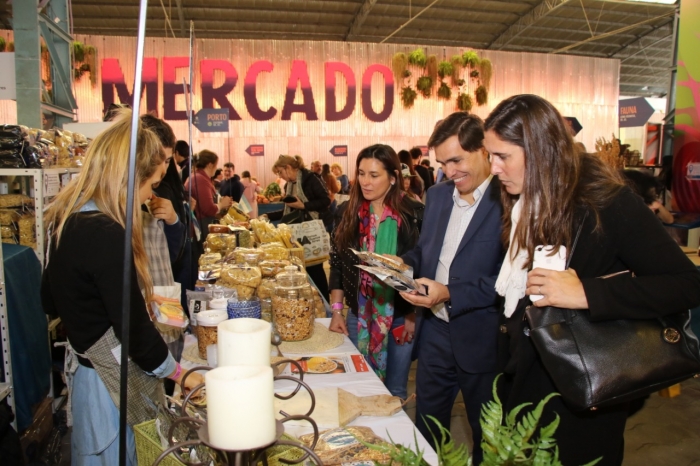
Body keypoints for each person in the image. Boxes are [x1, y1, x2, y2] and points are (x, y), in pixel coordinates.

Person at [484, 94, 700, 466]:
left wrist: (588, 292)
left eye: (502, 156)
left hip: (582, 391)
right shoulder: (519, 201)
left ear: (540, 152)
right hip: (523, 381)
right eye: (490, 155)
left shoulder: (606, 202)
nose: (493, 167)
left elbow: (685, 282)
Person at [41, 110, 202, 465]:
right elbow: (134, 332)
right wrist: (180, 374)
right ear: (129, 178)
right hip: (108, 389)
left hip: (86, 378)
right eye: (150, 185)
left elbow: (49, 299)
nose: (149, 195)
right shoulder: (108, 233)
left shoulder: (68, 218)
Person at [398, 112, 504, 465]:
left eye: (457, 160)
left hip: (484, 338)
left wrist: (450, 293)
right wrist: (403, 264)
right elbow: (428, 251)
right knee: (427, 427)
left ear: (485, 150)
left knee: (487, 437)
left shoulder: (510, 201)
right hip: (434, 335)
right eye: (442, 163)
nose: (449, 171)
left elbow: (510, 280)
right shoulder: (438, 195)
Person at [329, 144, 424, 398]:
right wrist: (337, 312)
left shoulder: (413, 214)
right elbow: (337, 264)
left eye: (374, 175)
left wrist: (413, 317)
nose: (365, 182)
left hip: (402, 316)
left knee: (395, 390)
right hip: (357, 314)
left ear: (393, 178)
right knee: (359, 389)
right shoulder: (347, 212)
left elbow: (421, 269)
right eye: (361, 174)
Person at [271, 154, 331, 300]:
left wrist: (304, 205)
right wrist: (269, 216)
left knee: (315, 269)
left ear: (288, 167)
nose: (280, 176)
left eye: (280, 172)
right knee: (303, 270)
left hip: (312, 232)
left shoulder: (310, 178)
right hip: (297, 235)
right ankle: (310, 301)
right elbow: (289, 210)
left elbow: (325, 200)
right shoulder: (289, 185)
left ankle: (324, 303)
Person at [185, 150, 233, 236]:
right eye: (216, 165)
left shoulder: (200, 178)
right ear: (210, 165)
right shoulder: (200, 180)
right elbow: (209, 209)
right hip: (201, 227)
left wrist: (220, 202)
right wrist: (222, 204)